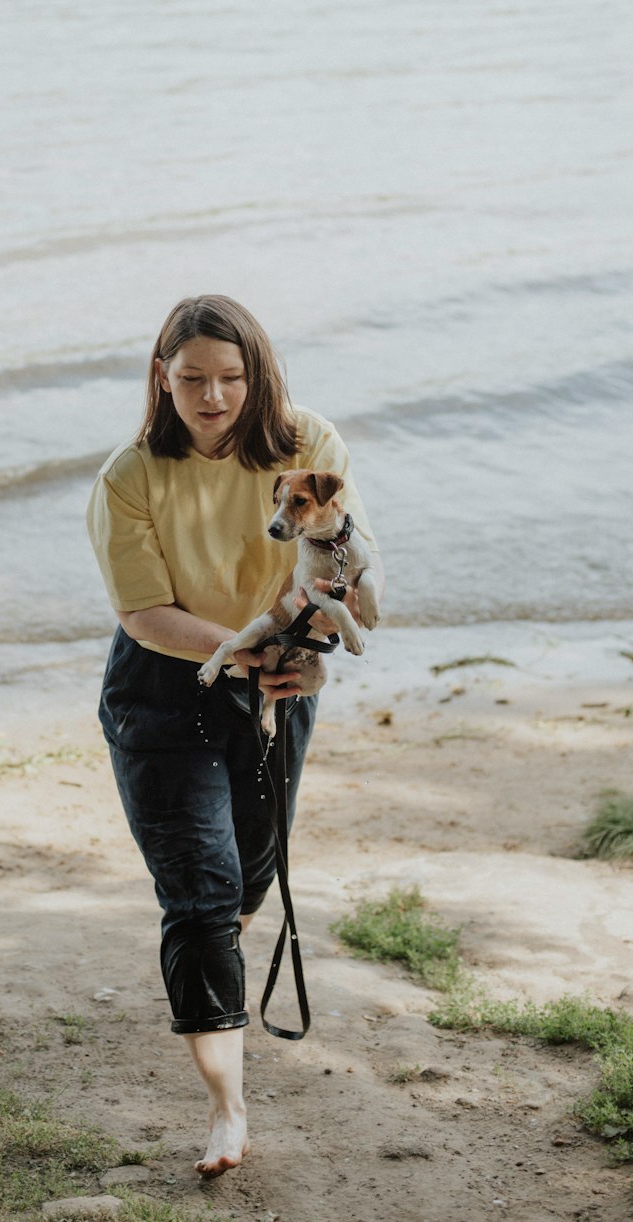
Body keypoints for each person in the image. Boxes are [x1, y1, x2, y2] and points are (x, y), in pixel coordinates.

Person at [86, 295, 384, 1176]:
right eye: (191, 380)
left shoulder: (310, 446)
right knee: (203, 891)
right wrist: (237, 651)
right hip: (164, 681)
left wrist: (315, 652)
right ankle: (228, 1111)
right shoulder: (130, 475)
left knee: (252, 869)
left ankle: (218, 953)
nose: (212, 398)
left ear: (257, 376)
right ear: (160, 378)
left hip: (276, 673)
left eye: (229, 378)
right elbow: (144, 611)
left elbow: (347, 566)